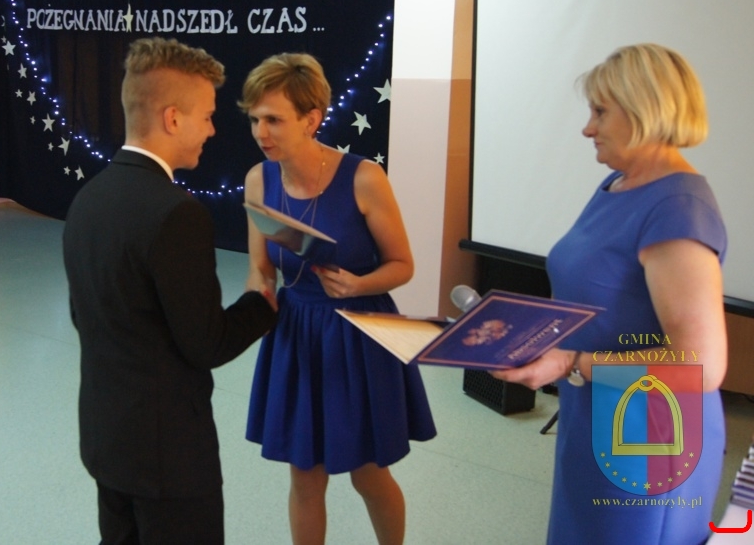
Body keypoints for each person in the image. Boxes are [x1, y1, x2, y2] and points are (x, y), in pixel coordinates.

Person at [492, 43, 728, 545]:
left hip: (651, 431)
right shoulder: (618, 186)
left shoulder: (677, 208)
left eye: (600, 111)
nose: (588, 128)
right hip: (596, 407)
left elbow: (702, 366)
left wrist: (571, 362)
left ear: (646, 110)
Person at [63, 37, 278, 545]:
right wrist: (261, 302)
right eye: (207, 116)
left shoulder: (89, 198)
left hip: (106, 437)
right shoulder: (178, 214)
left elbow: (86, 315)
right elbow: (207, 343)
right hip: (167, 457)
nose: (212, 129)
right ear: (173, 118)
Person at [240, 52, 436, 545]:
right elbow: (260, 268)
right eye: (255, 119)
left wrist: (358, 284)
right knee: (305, 476)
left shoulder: (364, 177)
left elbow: (402, 265)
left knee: (367, 473)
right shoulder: (258, 180)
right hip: (297, 334)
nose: (261, 132)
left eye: (273, 120)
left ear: (312, 119)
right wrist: (257, 299)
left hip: (358, 334)